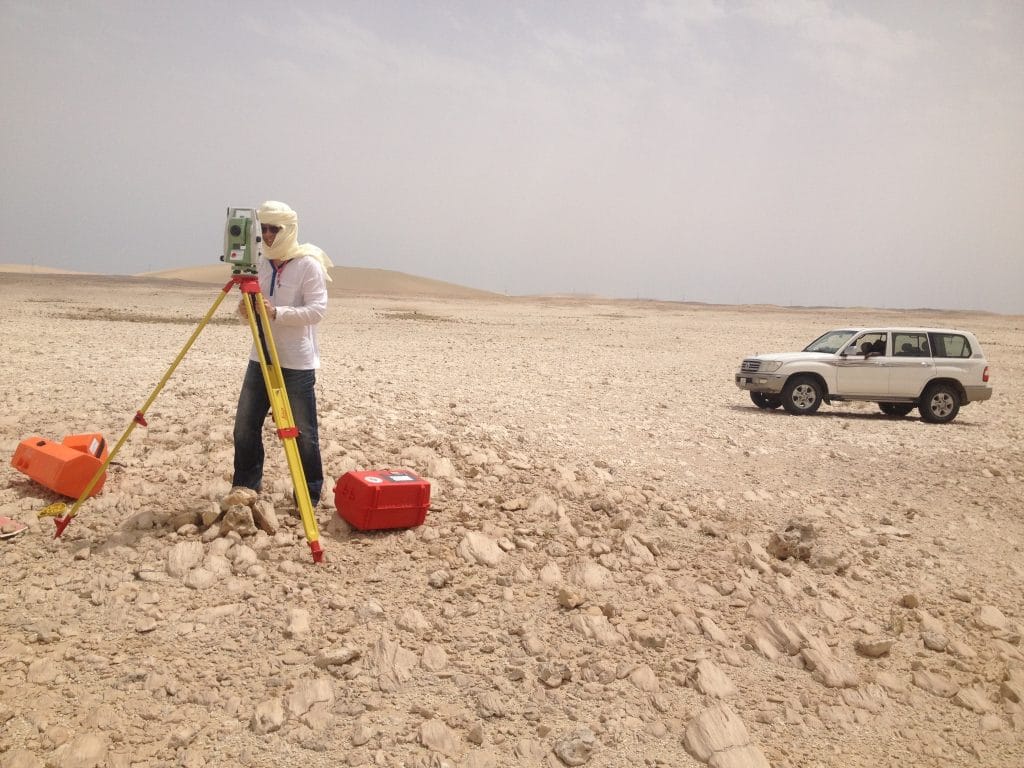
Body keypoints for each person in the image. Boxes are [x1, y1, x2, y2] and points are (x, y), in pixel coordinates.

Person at [232, 200, 334, 507]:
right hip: (260, 357)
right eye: (262, 229)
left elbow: (317, 310)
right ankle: (246, 488)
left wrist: (277, 313)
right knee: (244, 427)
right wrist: (245, 311)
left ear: (287, 230)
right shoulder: (259, 264)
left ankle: (310, 493)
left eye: (273, 229)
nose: (267, 235)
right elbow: (253, 310)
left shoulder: (308, 264)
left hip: (296, 362)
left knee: (303, 432)